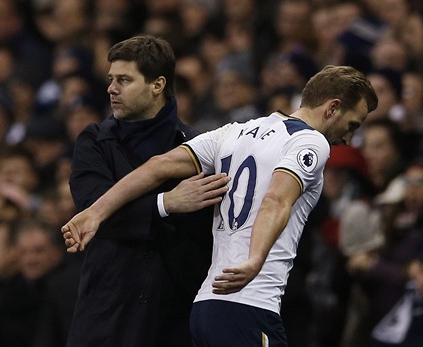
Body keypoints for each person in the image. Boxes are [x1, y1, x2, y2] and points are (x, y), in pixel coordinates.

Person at [62, 65, 378, 346]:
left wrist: (96, 211)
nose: (348, 139)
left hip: (205, 308)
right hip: (249, 305)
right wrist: (254, 261)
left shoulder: (234, 132)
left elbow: (157, 166)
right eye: (352, 125)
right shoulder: (310, 142)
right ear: (332, 108)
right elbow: (276, 199)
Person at [65, 35, 229, 347]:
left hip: (174, 317)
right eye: (111, 79)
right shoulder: (95, 142)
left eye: (124, 80)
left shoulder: (198, 149)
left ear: (157, 85)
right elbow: (94, 211)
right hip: (108, 313)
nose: (111, 89)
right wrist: (166, 203)